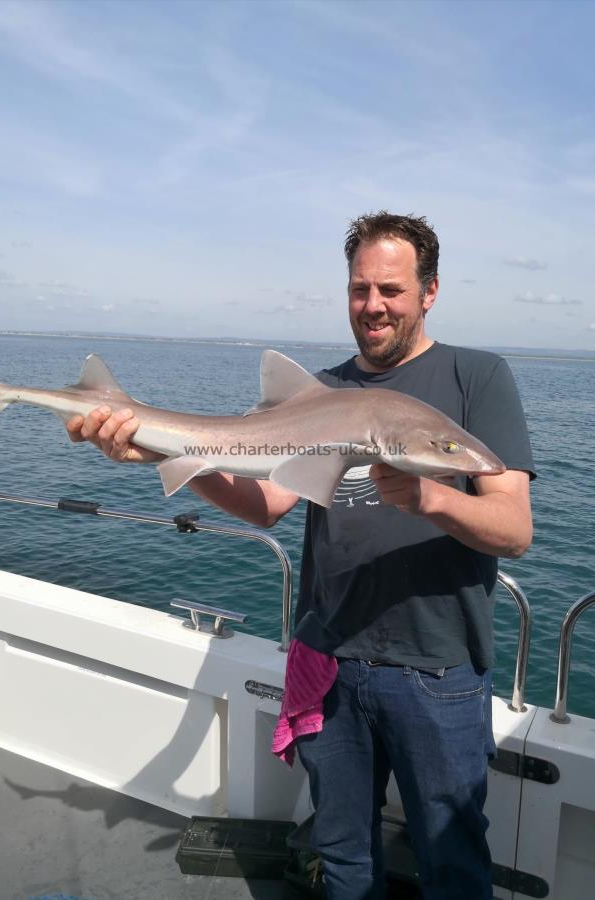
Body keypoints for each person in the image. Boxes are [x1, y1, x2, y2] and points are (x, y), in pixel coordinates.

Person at [66, 212, 535, 900]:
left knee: (453, 867)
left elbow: (512, 527)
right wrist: (164, 455)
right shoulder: (321, 390)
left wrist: (431, 497)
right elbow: (266, 506)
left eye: (391, 290)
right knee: (341, 859)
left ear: (429, 291)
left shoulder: (476, 377)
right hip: (328, 659)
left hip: (437, 673)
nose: (372, 306)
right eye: (359, 289)